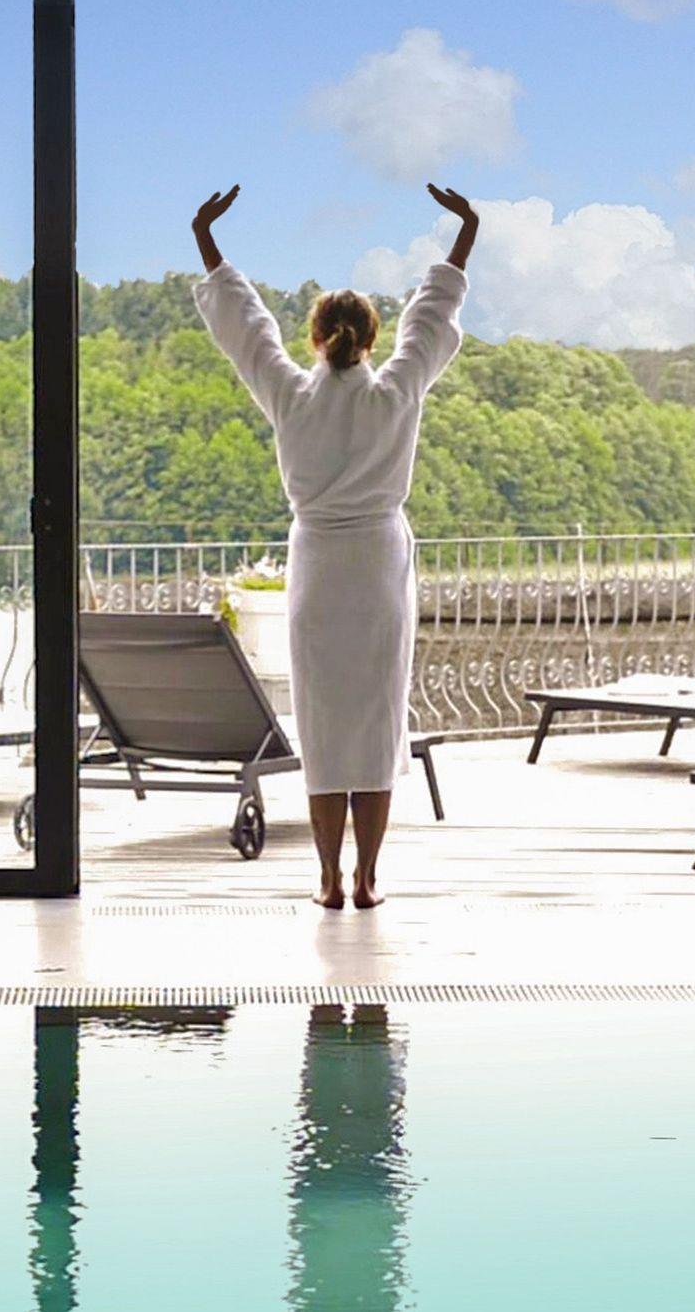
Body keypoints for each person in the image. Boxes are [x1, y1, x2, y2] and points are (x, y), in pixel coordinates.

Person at [191, 182, 477, 908]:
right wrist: (465, 233)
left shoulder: (290, 395)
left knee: (323, 729)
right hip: (377, 568)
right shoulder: (396, 390)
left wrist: (207, 240)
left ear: (316, 340)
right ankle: (367, 878)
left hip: (318, 567)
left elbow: (247, 330)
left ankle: (326, 878)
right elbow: (431, 318)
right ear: (370, 340)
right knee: (376, 727)